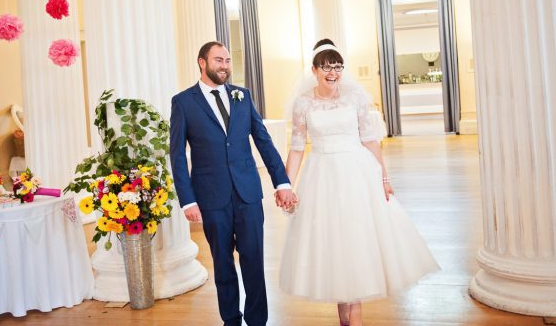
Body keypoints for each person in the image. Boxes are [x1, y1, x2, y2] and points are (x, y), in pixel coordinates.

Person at [279, 39, 439, 326]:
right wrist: (286, 185)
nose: (333, 73)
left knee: (356, 238)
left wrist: (384, 178)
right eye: (327, 67)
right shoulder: (303, 103)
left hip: (356, 174)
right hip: (322, 177)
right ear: (314, 70)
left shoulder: (355, 97)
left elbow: (370, 140)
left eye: (338, 67)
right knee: (333, 243)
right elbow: (297, 147)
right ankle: (346, 312)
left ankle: (354, 318)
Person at [170, 41, 296, 326]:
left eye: (227, 60)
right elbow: (176, 155)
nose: (225, 66)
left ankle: (257, 321)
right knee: (223, 265)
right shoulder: (183, 102)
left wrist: (282, 183)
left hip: (248, 194)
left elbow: (263, 140)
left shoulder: (243, 95)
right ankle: (231, 320)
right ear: (202, 62)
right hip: (211, 197)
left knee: (254, 262)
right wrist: (187, 200)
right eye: (219, 60)